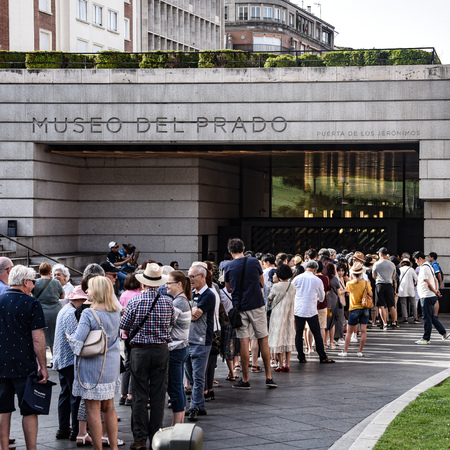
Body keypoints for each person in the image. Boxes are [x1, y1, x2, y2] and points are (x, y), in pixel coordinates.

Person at [119, 263, 175, 449]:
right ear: (159, 283)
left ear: (143, 284)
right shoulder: (168, 302)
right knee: (159, 395)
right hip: (161, 349)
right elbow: (171, 323)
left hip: (140, 350)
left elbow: (124, 327)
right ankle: (156, 436)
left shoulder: (134, 302)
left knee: (139, 395)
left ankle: (140, 438)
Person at [68, 276, 121, 450]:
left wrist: (69, 338)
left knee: (93, 409)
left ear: (97, 291)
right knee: (109, 408)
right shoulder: (115, 311)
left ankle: (98, 448)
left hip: (92, 366)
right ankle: (113, 447)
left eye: (89, 289)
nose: (87, 292)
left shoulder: (89, 313)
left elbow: (77, 342)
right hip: (111, 363)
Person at [0, 265, 48, 450]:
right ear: (25, 282)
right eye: (33, 282)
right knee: (29, 409)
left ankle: (3, 447)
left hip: (1, 363)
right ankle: (31, 448)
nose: (34, 286)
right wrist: (43, 366)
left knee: (3, 409)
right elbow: (38, 338)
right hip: (23, 364)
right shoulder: (32, 303)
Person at [224, 238, 277, 389]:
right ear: (243, 248)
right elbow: (262, 282)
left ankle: (245, 379)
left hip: (239, 307)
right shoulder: (254, 262)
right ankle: (269, 377)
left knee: (243, 342)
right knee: (263, 339)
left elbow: (228, 288)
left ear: (230, 251)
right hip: (257, 305)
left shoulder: (228, 266)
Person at [53, 286, 88, 443]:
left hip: (61, 358)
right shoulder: (71, 313)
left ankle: (63, 428)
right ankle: (75, 430)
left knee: (65, 393)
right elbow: (73, 338)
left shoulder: (64, 309)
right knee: (74, 395)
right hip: (68, 359)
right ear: (79, 300)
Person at [184, 263, 216, 421]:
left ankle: (194, 407)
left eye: (192, 276)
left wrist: (186, 312)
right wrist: (188, 312)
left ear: (202, 276)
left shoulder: (208, 295)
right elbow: (188, 314)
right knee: (190, 376)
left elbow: (194, 316)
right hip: (189, 340)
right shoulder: (192, 293)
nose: (190, 279)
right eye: (189, 276)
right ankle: (200, 405)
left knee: (197, 377)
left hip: (201, 341)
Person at [293, 261, 334, 364]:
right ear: (315, 269)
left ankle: (301, 356)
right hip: (311, 309)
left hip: (298, 309)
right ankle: (322, 356)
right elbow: (322, 296)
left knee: (298, 333)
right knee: (316, 333)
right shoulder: (317, 280)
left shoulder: (297, 278)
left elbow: (292, 292)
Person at [165, 270, 192, 425]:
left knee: (175, 388)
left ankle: (177, 425)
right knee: (177, 387)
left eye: (169, 283)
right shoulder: (182, 300)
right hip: (180, 348)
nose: (166, 286)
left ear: (179, 284)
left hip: (176, 349)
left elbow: (167, 325)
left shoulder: (178, 302)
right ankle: (179, 424)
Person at [413, 251, 449, 345]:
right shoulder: (429, 266)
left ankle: (426, 338)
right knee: (431, 317)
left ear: (420, 259)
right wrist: (436, 290)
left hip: (426, 296)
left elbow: (427, 283)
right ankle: (444, 333)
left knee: (427, 318)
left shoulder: (424, 268)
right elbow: (435, 279)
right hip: (430, 296)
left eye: (416, 260)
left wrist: (434, 291)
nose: (416, 262)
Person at [32, 262, 65, 366]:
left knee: (41, 338)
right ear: (50, 272)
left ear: (39, 272)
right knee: (55, 336)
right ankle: (55, 360)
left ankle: (41, 363)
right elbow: (62, 296)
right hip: (56, 311)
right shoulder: (56, 282)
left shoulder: (35, 283)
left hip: (42, 311)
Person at [118, 273, 142, 407]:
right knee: (135, 365)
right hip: (136, 333)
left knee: (127, 363)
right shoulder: (138, 295)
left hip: (125, 333)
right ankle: (131, 394)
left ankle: (123, 394)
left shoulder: (123, 295)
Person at [338, 262, 372, 357]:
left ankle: (345, 351)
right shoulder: (365, 283)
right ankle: (359, 351)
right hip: (364, 308)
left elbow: (348, 294)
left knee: (349, 331)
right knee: (363, 330)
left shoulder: (349, 283)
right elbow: (371, 294)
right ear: (361, 273)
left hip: (353, 308)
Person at [268, 264, 296, 372]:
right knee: (288, 338)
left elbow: (270, 298)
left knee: (278, 339)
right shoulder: (292, 286)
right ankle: (287, 364)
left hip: (277, 315)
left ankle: (280, 364)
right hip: (289, 314)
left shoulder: (276, 286)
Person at [372, 247, 397, 329]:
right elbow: (393, 276)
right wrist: (389, 279)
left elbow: (374, 275)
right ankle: (394, 322)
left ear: (380, 254)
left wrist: (379, 279)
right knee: (392, 305)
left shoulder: (376, 264)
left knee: (381, 305)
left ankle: (385, 323)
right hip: (389, 284)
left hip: (380, 285)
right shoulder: (392, 264)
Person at [398, 258, 419, 324]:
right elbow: (416, 279)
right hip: (410, 288)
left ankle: (405, 319)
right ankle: (415, 318)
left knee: (403, 304)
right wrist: (415, 283)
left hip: (402, 288)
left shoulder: (399, 269)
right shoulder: (411, 269)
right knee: (413, 304)